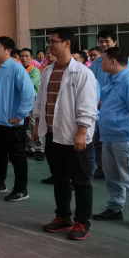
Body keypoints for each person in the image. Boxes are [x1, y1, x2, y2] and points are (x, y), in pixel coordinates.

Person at [33, 28, 97, 240]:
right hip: (52, 134)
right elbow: (40, 101)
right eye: (49, 42)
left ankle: (81, 222)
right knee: (60, 179)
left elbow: (87, 106)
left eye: (53, 41)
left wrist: (81, 132)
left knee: (80, 181)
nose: (49, 45)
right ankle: (63, 217)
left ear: (67, 43)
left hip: (74, 136)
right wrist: (37, 126)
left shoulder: (82, 73)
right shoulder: (48, 70)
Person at [0, 36, 36, 202]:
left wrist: (20, 115)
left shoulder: (16, 69)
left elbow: (29, 94)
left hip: (10, 122)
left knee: (16, 156)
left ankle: (21, 189)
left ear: (8, 51)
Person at [92, 46, 129, 227]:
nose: (100, 63)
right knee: (112, 177)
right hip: (108, 136)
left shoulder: (128, 81)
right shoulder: (112, 81)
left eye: (103, 59)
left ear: (114, 61)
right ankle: (115, 208)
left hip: (124, 137)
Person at [90, 29, 129, 181]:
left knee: (127, 175)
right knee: (99, 143)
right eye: (101, 41)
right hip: (102, 117)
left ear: (114, 42)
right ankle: (101, 168)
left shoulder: (125, 70)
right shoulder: (97, 64)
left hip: (121, 129)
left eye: (107, 41)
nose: (103, 44)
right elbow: (92, 83)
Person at [19, 48, 43, 160]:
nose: (24, 58)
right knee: (25, 126)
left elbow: (28, 85)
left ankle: (39, 149)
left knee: (34, 124)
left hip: (32, 100)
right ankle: (30, 148)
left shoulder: (35, 71)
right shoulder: (19, 69)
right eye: (22, 56)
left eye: (26, 56)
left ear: (31, 58)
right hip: (22, 101)